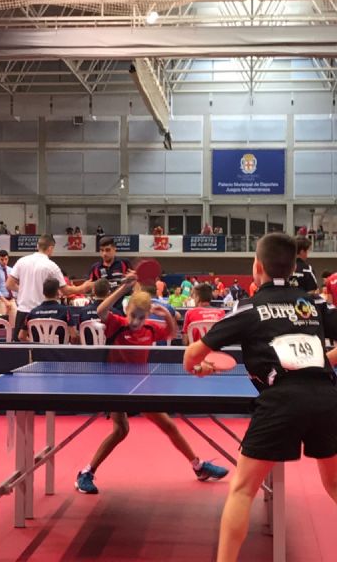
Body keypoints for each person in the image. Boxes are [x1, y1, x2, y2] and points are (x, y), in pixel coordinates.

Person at [183, 232, 337, 562]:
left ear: (257, 267)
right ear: (294, 267)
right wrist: (325, 359)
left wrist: (199, 367)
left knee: (242, 490)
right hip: (326, 398)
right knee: (335, 484)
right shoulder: (314, 303)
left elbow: (191, 354)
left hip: (280, 401)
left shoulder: (248, 308)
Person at [75, 278, 228, 494]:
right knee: (121, 430)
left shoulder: (150, 328)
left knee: (168, 426)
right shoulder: (117, 324)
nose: (136, 321)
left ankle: (198, 466)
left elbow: (171, 333)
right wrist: (123, 288)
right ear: (126, 311)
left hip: (140, 387)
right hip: (116, 387)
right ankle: (86, 473)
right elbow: (101, 310)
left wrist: (166, 314)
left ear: (147, 315)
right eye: (133, 315)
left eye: (141, 317)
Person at [5, 234, 92, 340]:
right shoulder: (52, 266)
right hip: (43, 314)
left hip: (23, 312)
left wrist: (24, 290)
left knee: (19, 346)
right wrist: (83, 288)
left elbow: (9, 284)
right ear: (51, 248)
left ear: (37, 246)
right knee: (45, 345)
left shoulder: (21, 261)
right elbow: (65, 290)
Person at [23, 278, 78, 343]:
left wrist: (34, 343)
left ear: (43, 292)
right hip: (60, 349)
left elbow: (21, 336)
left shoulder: (32, 313)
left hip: (38, 349)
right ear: (58, 292)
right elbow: (74, 336)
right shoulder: (65, 311)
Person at [87, 236, 132, 313]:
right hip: (104, 309)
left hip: (123, 308)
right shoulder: (95, 268)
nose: (104, 253)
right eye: (102, 250)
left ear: (114, 249)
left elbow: (134, 283)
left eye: (108, 250)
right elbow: (89, 288)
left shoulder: (124, 263)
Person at [0, 249, 17, 329]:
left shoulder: (11, 270)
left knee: (14, 323)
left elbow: (14, 284)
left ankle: (12, 337)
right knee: (1, 325)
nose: (4, 261)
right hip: (0, 300)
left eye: (6, 259)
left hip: (11, 300)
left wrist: (15, 297)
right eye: (2, 259)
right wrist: (5, 301)